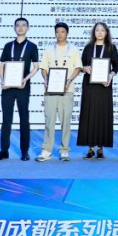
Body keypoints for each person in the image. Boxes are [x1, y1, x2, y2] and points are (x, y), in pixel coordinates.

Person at [0, 17, 39, 161]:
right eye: (18, 25)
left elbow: (36, 67)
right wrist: (2, 81)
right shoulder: (8, 46)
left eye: (23, 25)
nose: (20, 27)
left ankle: (24, 151)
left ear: (28, 28)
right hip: (7, 87)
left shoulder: (32, 46)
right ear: (14, 28)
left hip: (22, 87)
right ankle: (4, 151)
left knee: (24, 119)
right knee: (6, 119)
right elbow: (2, 65)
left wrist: (25, 79)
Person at [37, 22, 80, 162]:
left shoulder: (73, 49)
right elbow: (44, 69)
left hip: (67, 90)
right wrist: (46, 80)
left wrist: (69, 81)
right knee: (49, 120)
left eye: (62, 32)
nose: (59, 34)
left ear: (67, 33)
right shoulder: (49, 49)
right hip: (50, 91)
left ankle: (64, 150)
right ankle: (46, 150)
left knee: (65, 121)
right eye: (57, 32)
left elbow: (78, 68)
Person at [78, 21, 118, 159]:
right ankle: (90, 148)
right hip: (89, 86)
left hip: (104, 86)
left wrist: (110, 76)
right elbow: (81, 65)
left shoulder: (111, 48)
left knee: (102, 115)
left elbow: (116, 66)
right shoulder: (88, 47)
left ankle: (100, 148)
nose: (100, 33)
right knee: (89, 114)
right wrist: (85, 68)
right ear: (94, 33)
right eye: (97, 30)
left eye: (102, 30)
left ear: (106, 33)